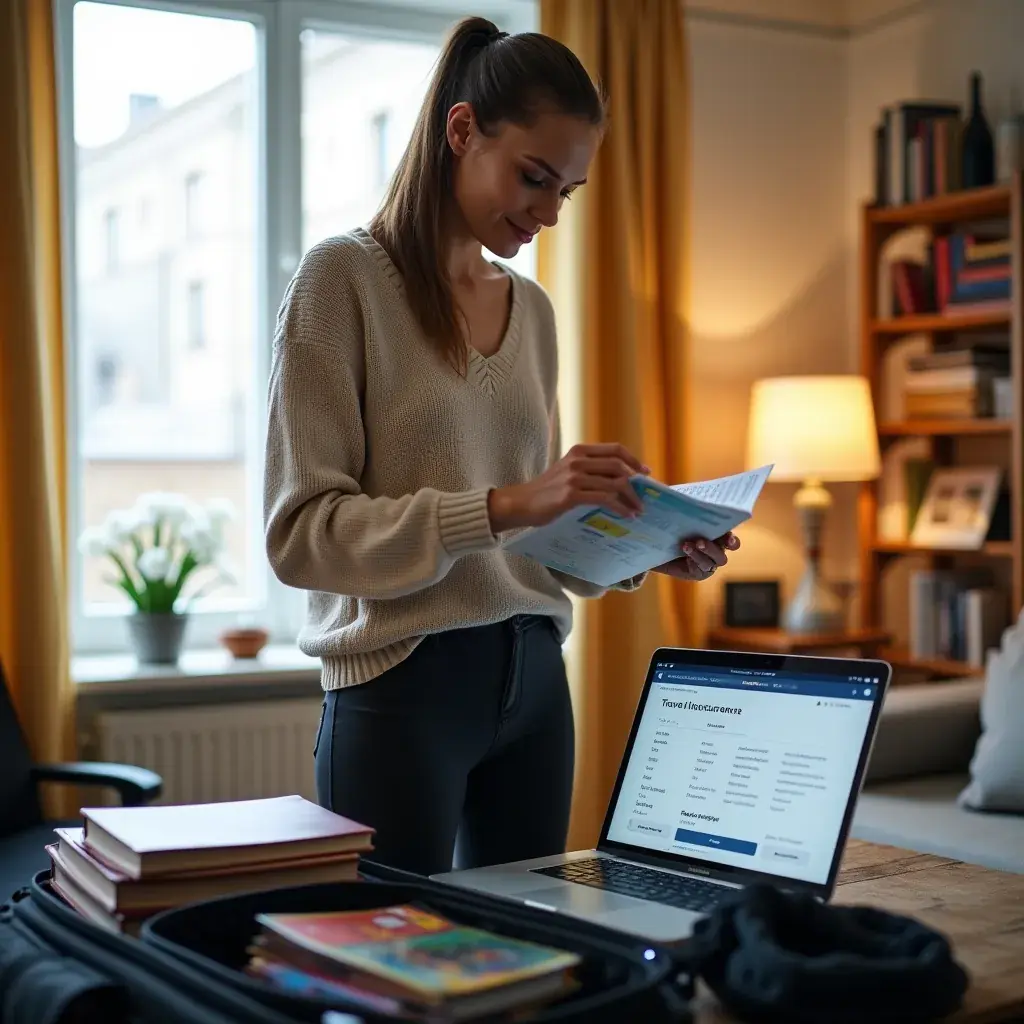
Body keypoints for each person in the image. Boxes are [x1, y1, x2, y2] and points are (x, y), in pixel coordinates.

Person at [263, 15, 740, 878]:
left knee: (533, 968)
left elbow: (530, 545)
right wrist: (509, 503)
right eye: (535, 177)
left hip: (534, 681)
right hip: (401, 686)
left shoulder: (536, 315)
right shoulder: (341, 282)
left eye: (569, 192)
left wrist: (645, 545)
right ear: (461, 131)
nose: (550, 212)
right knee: (385, 970)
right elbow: (302, 534)